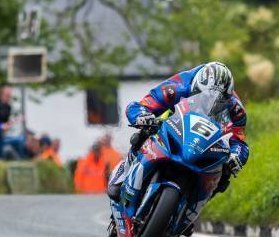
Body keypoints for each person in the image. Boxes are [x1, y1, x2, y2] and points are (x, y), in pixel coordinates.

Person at [106, 62, 249, 209]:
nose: (210, 102)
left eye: (218, 101)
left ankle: (194, 208)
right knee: (145, 131)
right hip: (174, 122)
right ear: (195, 87)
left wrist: (236, 156)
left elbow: (239, 140)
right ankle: (125, 171)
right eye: (203, 96)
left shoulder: (236, 109)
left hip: (205, 141)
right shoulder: (179, 84)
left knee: (224, 173)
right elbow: (141, 105)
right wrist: (142, 115)